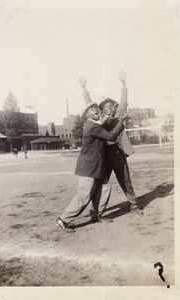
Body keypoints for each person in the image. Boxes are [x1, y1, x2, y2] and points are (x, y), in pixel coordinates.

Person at [56, 102, 127, 233]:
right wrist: (121, 121)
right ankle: (63, 219)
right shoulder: (92, 126)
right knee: (84, 195)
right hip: (89, 166)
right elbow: (110, 136)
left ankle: (97, 215)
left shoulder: (94, 125)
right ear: (87, 114)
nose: (96, 110)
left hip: (95, 165)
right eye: (92, 109)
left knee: (105, 187)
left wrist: (110, 117)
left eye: (96, 108)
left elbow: (103, 126)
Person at [78, 72, 143, 215]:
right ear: (101, 109)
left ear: (114, 107)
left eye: (111, 105)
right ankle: (96, 210)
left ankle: (133, 205)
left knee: (125, 180)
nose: (108, 107)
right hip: (103, 155)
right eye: (105, 106)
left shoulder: (118, 115)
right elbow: (89, 105)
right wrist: (84, 89)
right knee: (100, 183)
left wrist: (124, 84)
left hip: (117, 153)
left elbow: (124, 102)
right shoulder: (98, 118)